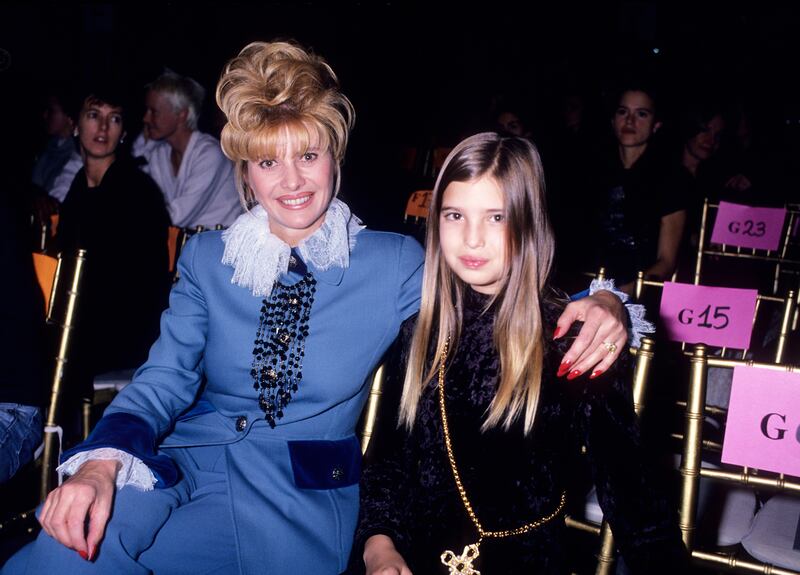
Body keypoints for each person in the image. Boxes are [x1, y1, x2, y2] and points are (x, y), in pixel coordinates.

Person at [3, 42, 628, 575]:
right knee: (61, 550)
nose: (292, 181)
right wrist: (104, 464)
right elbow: (163, 379)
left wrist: (600, 301)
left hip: (298, 498)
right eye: (268, 162)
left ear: (335, 155)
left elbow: (497, 289)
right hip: (184, 464)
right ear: (245, 172)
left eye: (308, 155)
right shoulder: (208, 258)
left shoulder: (391, 263)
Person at [349, 132, 687, 575]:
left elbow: (634, 499)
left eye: (496, 217)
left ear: (529, 223)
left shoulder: (571, 340)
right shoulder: (418, 330)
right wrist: (379, 547)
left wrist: (613, 302)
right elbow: (390, 458)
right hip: (415, 557)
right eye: (455, 215)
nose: (472, 239)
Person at [53, 83, 171, 408]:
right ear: (76, 125)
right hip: (89, 318)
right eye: (94, 116)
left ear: (123, 132)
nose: (103, 127)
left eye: (114, 118)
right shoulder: (79, 187)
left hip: (125, 328)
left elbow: (136, 284)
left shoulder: (136, 190)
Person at [588, 85, 688, 293]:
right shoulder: (591, 170)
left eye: (641, 114)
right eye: (623, 112)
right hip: (585, 286)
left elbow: (666, 262)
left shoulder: (672, 178)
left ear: (656, 124)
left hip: (638, 296)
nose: (630, 121)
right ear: (612, 119)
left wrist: (620, 294)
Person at [132, 70, 242, 228]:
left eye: (154, 112)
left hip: (219, 244)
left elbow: (176, 216)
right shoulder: (159, 152)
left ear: (181, 115)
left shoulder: (209, 154)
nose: (146, 118)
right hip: (182, 243)